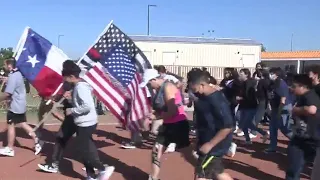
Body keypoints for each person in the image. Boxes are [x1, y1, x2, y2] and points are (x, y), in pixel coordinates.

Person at [62, 60, 114, 180]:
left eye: (65, 78)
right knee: (86, 148)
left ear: (71, 76)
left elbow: (87, 106)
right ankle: (90, 175)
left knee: (85, 150)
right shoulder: (77, 87)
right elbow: (82, 103)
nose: (64, 81)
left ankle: (103, 168)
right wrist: (71, 100)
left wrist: (72, 110)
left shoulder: (80, 87)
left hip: (86, 123)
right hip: (82, 122)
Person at [140, 69, 190, 180]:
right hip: (167, 125)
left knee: (187, 154)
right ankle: (154, 177)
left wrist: (156, 117)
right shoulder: (158, 90)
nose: (149, 86)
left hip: (179, 124)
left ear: (154, 79)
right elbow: (162, 109)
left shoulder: (167, 87)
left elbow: (173, 111)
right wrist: (151, 115)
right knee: (156, 151)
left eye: (149, 83)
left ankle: (205, 171)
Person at [189, 70, 233, 180]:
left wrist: (210, 144)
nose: (194, 92)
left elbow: (227, 126)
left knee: (201, 174)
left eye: (194, 89)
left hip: (215, 146)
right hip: (206, 141)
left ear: (202, 85)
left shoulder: (218, 101)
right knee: (217, 172)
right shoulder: (203, 98)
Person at [0, 59, 43, 157]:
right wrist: (5, 79)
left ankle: (10, 148)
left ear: (9, 65)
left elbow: (7, 94)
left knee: (10, 124)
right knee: (22, 123)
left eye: (5, 64)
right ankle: (37, 140)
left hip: (15, 105)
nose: (4, 66)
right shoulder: (18, 74)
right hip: (20, 104)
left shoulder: (13, 76)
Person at [285, 74, 320, 180]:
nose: (292, 88)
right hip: (304, 136)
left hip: (307, 138)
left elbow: (312, 110)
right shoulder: (303, 96)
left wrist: (296, 110)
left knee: (294, 167)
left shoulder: (309, 95)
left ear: (302, 86)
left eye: (294, 86)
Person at [37, 82, 76, 173]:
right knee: (60, 138)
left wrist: (70, 100)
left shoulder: (79, 87)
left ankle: (94, 165)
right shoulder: (65, 83)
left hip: (79, 118)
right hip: (70, 118)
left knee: (85, 143)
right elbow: (60, 96)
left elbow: (83, 104)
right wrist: (52, 98)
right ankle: (54, 164)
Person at [265, 67, 293, 153]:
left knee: (284, 128)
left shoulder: (281, 84)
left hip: (283, 108)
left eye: (271, 73)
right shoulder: (272, 83)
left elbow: (283, 100)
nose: (270, 75)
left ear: (276, 74)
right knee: (272, 127)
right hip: (275, 107)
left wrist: (279, 113)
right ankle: (273, 146)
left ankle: (299, 142)